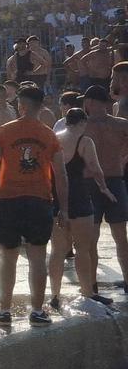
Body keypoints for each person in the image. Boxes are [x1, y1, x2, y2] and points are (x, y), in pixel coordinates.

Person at [0, 85, 68, 327]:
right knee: (37, 257)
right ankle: (37, 311)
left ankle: (4, 311)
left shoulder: (6, 130)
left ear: (21, 106)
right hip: (39, 200)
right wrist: (64, 208)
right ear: (40, 106)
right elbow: (61, 174)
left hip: (10, 199)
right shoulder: (49, 134)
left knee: (8, 258)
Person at [47, 108, 116, 310]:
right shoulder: (84, 141)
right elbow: (95, 168)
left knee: (57, 251)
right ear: (82, 123)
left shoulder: (53, 138)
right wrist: (104, 188)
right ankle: (87, 291)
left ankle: (55, 295)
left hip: (56, 196)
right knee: (82, 248)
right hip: (78, 196)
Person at [81, 85, 128, 298]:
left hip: (91, 182)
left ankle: (92, 285)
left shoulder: (82, 126)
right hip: (114, 180)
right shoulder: (120, 124)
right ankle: (126, 280)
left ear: (89, 102)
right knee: (120, 236)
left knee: (92, 238)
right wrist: (122, 158)